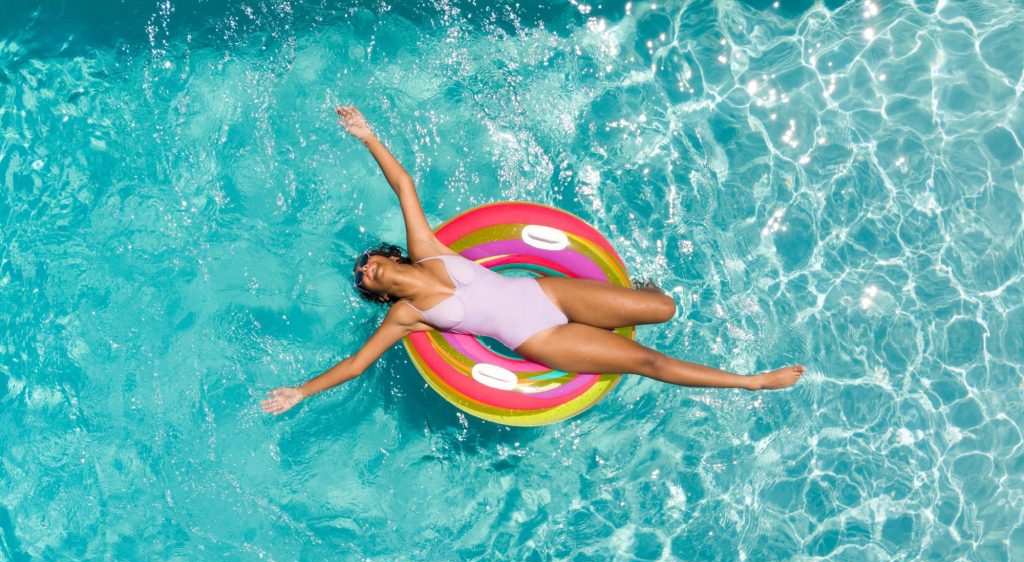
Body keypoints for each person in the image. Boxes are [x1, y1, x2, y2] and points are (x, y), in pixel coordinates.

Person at [261, 106, 804, 416]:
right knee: (649, 363)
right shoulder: (406, 317)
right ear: (379, 295)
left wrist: (367, 136)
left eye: (366, 264)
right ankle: (752, 382)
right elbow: (358, 363)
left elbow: (403, 183)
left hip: (547, 292)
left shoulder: (427, 248)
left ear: (386, 255)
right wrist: (301, 392)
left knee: (663, 310)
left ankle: (644, 292)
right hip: (538, 339)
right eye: (363, 281)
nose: (365, 272)